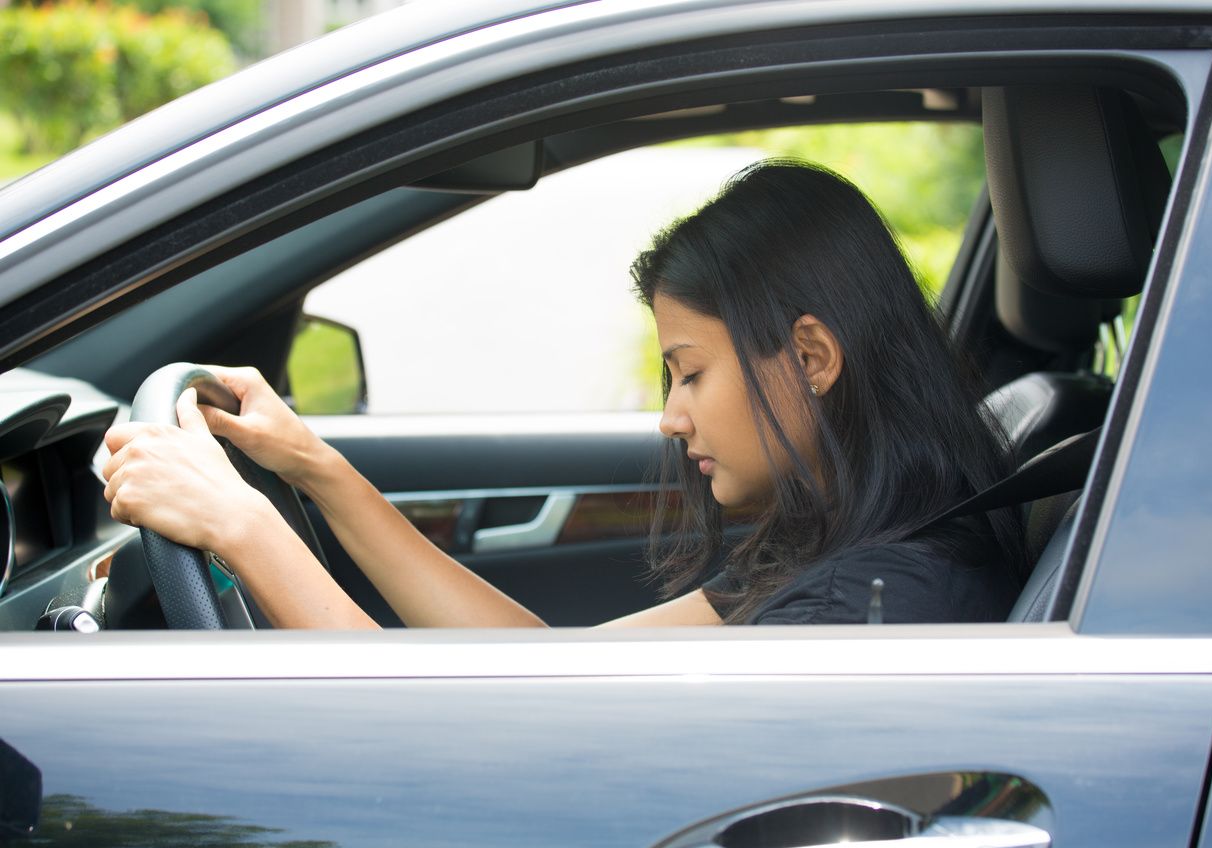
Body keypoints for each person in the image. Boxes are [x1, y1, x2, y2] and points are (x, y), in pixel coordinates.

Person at [102, 160, 1026, 629]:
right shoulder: (846, 542)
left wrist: (242, 527)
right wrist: (315, 468)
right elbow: (545, 668)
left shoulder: (868, 607)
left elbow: (447, 735)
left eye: (691, 371)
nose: (671, 415)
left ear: (812, 355)